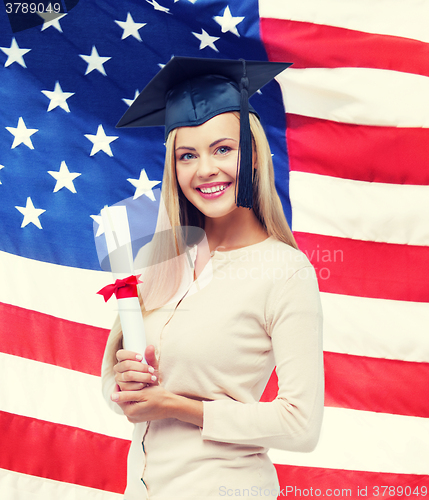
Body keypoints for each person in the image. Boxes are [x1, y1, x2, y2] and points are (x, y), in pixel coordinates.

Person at [101, 57, 324, 500]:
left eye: (223, 149)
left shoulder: (284, 272)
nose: (205, 169)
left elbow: (302, 425)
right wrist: (123, 385)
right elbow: (115, 389)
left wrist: (179, 408)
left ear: (254, 155)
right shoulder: (158, 261)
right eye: (188, 155)